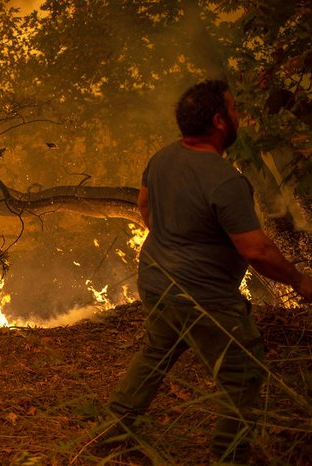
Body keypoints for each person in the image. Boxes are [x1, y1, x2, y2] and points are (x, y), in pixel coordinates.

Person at [105, 79, 312, 463]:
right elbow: (257, 250)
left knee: (156, 352)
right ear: (218, 121)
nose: (237, 116)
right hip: (204, 298)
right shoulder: (226, 181)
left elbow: (144, 204)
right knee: (243, 374)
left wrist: (173, 241)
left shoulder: (163, 157)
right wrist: (301, 282)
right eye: (234, 110)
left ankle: (111, 434)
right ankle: (228, 456)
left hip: (155, 278)